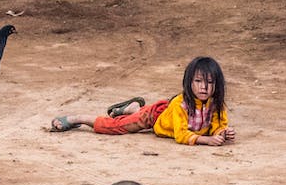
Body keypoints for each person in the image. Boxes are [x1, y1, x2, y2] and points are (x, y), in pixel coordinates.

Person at [50, 56, 236, 146]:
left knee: (136, 118)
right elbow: (181, 135)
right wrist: (207, 140)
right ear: (188, 82)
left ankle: (133, 109)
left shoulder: (216, 105)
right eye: (198, 81)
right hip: (154, 117)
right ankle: (78, 118)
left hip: (163, 115)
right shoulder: (181, 105)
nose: (204, 87)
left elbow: (218, 125)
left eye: (210, 83)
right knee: (115, 127)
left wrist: (223, 133)